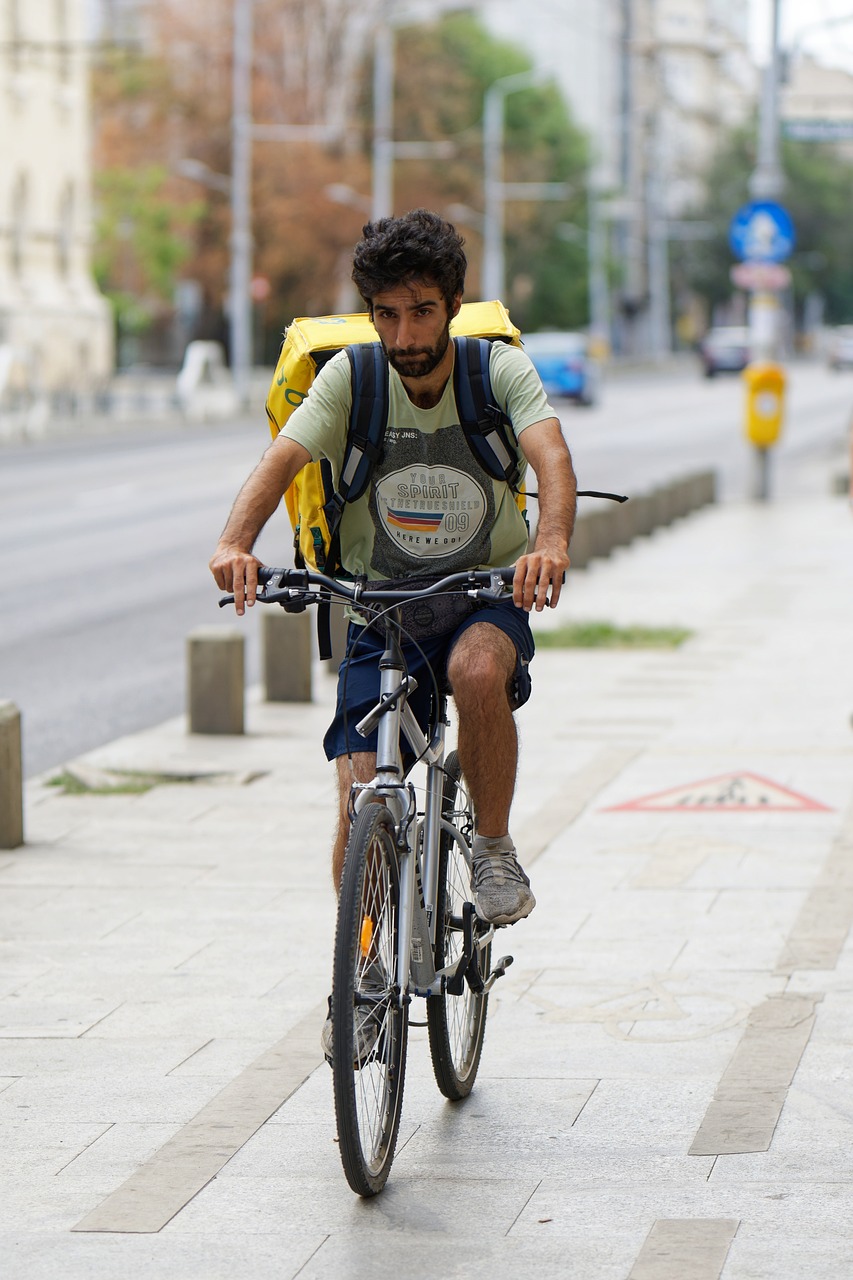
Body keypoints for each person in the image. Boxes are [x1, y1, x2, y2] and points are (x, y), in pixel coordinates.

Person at [210, 209, 576, 932]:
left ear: (452, 306)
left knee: (476, 673)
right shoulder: (353, 377)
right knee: (359, 801)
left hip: (481, 592)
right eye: (386, 315)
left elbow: (551, 457)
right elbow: (281, 460)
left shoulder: (494, 369)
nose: (405, 337)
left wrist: (551, 543)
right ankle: (366, 976)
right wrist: (233, 543)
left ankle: (493, 849)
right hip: (376, 606)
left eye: (421, 312)